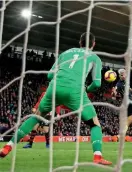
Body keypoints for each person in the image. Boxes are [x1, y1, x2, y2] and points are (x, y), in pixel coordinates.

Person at [0, 32, 112, 165]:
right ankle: (97, 156)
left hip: (54, 88)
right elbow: (97, 84)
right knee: (94, 124)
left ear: (79, 42)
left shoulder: (65, 53)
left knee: (36, 117)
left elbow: (49, 76)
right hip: (75, 91)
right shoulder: (94, 58)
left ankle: (8, 147)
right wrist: (87, 89)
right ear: (93, 44)